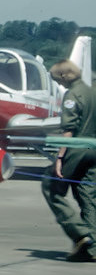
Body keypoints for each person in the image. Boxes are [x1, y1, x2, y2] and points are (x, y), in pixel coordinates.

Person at [41, 60, 95, 262]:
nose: (60, 85)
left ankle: (80, 234)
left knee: (51, 186)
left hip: (78, 148)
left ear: (65, 76)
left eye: (58, 80)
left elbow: (69, 129)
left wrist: (60, 157)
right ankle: (92, 249)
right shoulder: (92, 92)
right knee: (88, 196)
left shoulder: (72, 95)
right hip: (94, 149)